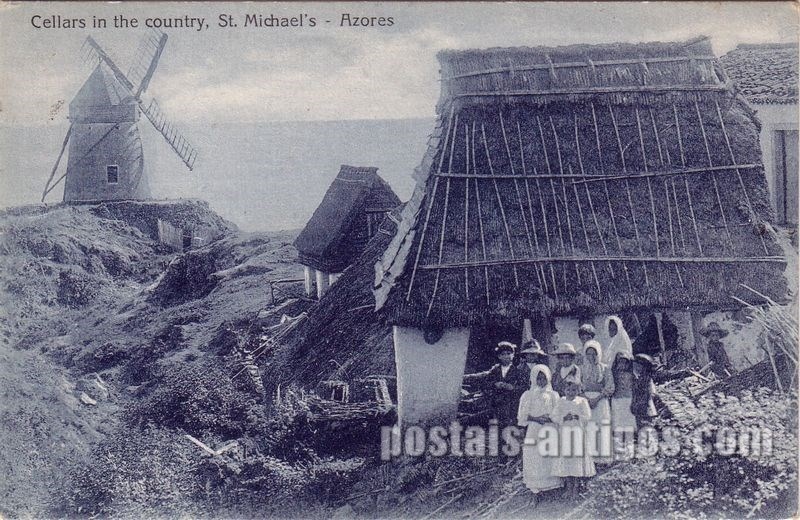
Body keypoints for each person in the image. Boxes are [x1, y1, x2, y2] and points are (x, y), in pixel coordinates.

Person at [517, 365, 563, 496]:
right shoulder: (528, 395)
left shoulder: (554, 395)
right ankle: (536, 488)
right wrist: (536, 418)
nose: (541, 381)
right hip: (534, 429)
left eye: (544, 378)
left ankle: (552, 486)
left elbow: (558, 412)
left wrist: (550, 417)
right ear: (533, 379)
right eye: (538, 379)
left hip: (549, 428)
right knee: (534, 455)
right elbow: (522, 416)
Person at [551, 374, 596, 498]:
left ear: (578, 390)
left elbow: (587, 416)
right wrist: (563, 418)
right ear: (564, 390)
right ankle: (568, 487)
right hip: (565, 434)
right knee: (566, 460)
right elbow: (554, 416)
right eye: (568, 390)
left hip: (578, 433)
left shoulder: (582, 401)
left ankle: (576, 487)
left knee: (576, 459)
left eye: (574, 390)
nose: (571, 393)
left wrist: (578, 417)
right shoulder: (561, 401)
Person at [467, 341, 527, 427]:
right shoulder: (495, 370)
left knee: (506, 427)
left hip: (509, 406)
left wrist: (512, 387)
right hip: (494, 404)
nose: (506, 356)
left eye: (508, 353)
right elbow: (485, 383)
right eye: (503, 354)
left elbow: (523, 388)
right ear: (499, 356)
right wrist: (494, 384)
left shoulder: (517, 371)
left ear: (513, 355)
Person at [582, 340, 614, 462]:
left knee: (601, 427)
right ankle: (591, 458)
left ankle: (603, 458)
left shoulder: (605, 368)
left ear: (598, 353)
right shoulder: (582, 369)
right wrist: (587, 399)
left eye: (594, 353)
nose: (591, 356)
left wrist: (597, 398)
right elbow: (578, 386)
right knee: (589, 427)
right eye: (588, 354)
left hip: (601, 401)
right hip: (586, 401)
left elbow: (610, 386)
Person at [610, 350, 636, 460]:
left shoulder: (632, 374)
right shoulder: (613, 374)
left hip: (629, 400)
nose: (622, 365)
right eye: (620, 362)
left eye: (625, 362)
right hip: (617, 401)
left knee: (629, 427)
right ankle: (619, 452)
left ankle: (630, 451)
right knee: (618, 426)